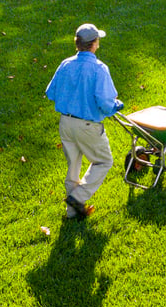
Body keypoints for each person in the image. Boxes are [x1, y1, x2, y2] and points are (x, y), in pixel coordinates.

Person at [45, 23, 124, 220]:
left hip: (66, 123)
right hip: (88, 126)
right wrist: (116, 106)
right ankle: (77, 198)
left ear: (77, 43)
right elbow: (105, 103)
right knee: (104, 161)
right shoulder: (99, 69)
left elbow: (51, 92)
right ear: (94, 44)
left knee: (73, 165)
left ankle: (72, 213)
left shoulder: (65, 64)